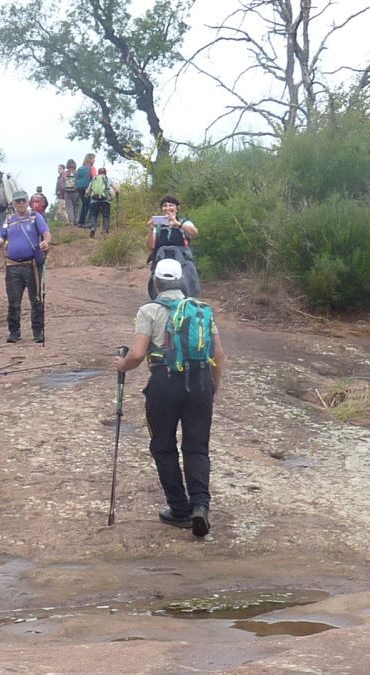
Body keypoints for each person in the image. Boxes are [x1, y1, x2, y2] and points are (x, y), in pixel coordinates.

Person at [115, 258, 225, 538]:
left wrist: (122, 365)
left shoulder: (149, 310)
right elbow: (219, 354)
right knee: (197, 448)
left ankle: (180, 510)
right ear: (181, 281)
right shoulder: (202, 310)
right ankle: (201, 505)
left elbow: (138, 355)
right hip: (200, 382)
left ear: (156, 283)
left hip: (164, 384)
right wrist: (213, 388)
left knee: (163, 446)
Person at [0, 191, 52, 343]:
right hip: (12, 266)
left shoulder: (35, 217)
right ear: (12, 203)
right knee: (13, 301)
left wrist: (46, 242)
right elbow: (0, 238)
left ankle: (38, 332)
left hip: (32, 265)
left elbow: (46, 233)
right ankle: (14, 332)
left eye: (23, 201)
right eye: (17, 201)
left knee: (36, 299)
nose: (20, 203)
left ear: (28, 202)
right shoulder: (9, 220)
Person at [146, 194, 202, 299]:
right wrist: (151, 229)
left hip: (182, 262)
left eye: (171, 205)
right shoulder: (158, 224)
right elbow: (151, 246)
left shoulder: (184, 222)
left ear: (177, 208)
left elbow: (194, 232)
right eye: (164, 206)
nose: (167, 208)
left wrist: (177, 224)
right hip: (162, 260)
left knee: (186, 289)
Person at [85, 167, 117, 238]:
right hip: (105, 200)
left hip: (94, 200)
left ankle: (93, 228)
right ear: (105, 173)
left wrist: (86, 195)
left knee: (94, 215)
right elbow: (116, 189)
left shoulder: (94, 179)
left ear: (98, 173)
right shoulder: (107, 179)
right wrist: (114, 195)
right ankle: (105, 231)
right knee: (106, 216)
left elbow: (88, 190)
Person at [74, 153, 97, 227]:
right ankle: (88, 222)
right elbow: (94, 178)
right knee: (90, 204)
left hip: (80, 188)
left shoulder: (81, 168)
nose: (94, 160)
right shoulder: (92, 168)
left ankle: (81, 222)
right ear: (89, 159)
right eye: (93, 158)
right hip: (88, 188)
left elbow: (76, 178)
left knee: (84, 204)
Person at [61, 159, 80, 227]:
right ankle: (77, 221)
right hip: (76, 192)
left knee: (69, 207)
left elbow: (61, 184)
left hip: (67, 193)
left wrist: (63, 191)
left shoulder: (65, 173)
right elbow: (79, 182)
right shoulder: (77, 173)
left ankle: (71, 221)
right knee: (77, 207)